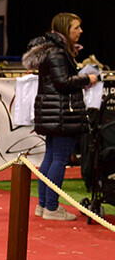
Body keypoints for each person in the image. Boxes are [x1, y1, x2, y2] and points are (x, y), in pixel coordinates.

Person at [22, 12, 97, 221]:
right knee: (59, 160)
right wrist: (86, 78)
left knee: (51, 157)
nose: (80, 31)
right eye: (76, 27)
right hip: (62, 113)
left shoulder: (52, 51)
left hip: (54, 113)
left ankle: (44, 205)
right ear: (66, 29)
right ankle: (52, 207)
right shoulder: (57, 52)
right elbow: (62, 82)